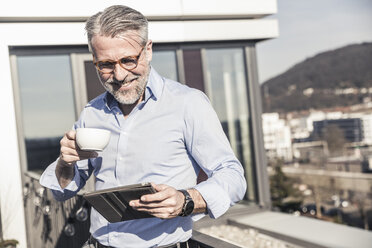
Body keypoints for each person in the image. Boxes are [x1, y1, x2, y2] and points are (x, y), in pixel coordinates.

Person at [40, 5, 246, 248]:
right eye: (105, 64)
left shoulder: (187, 104)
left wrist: (187, 200)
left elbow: (232, 176)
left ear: (148, 50)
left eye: (128, 60)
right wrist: (65, 163)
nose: (119, 75)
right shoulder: (91, 113)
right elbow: (62, 191)